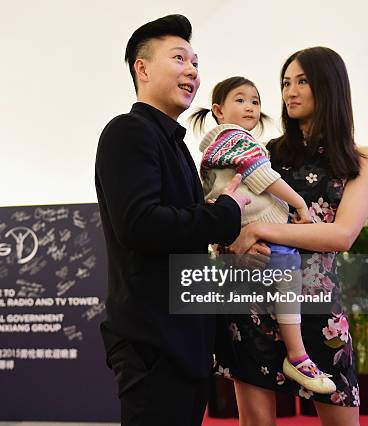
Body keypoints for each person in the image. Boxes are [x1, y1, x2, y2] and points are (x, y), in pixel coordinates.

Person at [94, 14, 251, 426]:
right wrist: (226, 215)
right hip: (153, 348)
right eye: (179, 58)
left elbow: (185, 236)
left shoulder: (178, 147)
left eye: (196, 63)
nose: (192, 72)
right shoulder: (127, 132)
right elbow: (141, 225)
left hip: (187, 346)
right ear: (141, 69)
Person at [215, 47, 368, 426]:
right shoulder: (261, 154)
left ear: (329, 87)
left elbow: (342, 234)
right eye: (286, 83)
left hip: (319, 309)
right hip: (253, 300)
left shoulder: (362, 159)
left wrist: (262, 228)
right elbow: (223, 212)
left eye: (302, 81)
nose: (290, 91)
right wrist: (237, 245)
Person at [190, 76, 336, 394]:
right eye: (240, 100)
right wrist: (299, 204)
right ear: (218, 110)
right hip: (262, 230)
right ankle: (297, 356)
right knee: (287, 278)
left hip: (245, 234)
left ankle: (294, 354)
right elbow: (261, 175)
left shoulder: (216, 147)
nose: (251, 107)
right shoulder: (235, 138)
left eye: (255, 101)